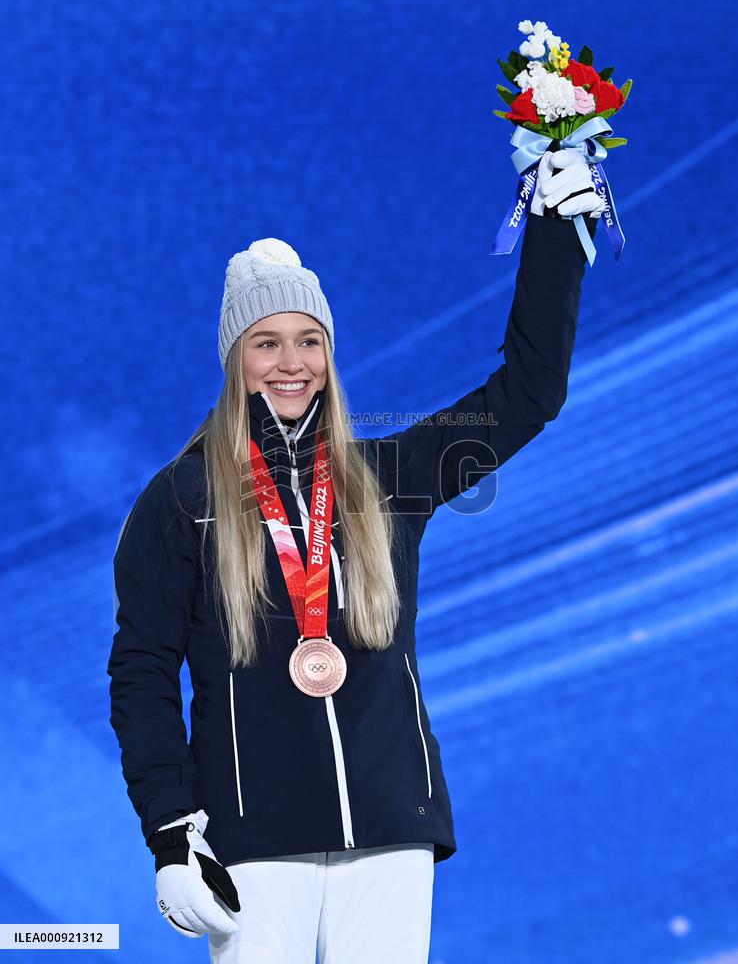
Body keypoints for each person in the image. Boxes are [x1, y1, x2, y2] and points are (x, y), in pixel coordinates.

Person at [107, 148, 605, 964]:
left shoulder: (392, 477)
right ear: (234, 359)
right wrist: (170, 832)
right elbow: (142, 672)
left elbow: (529, 394)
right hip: (252, 841)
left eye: (309, 340)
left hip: (390, 827)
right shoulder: (179, 501)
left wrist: (553, 236)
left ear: (331, 354)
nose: (291, 363)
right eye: (266, 343)